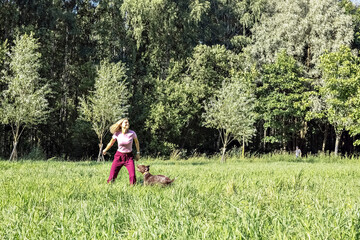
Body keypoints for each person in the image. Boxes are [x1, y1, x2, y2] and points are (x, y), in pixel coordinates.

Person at [103, 118, 140, 185]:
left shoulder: (132, 133)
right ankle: (109, 187)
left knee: (132, 176)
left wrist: (138, 153)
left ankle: (133, 189)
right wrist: (105, 150)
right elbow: (111, 143)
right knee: (112, 176)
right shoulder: (117, 134)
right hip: (119, 156)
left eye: (128, 122)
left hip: (129, 157)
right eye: (125, 122)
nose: (127, 124)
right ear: (121, 125)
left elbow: (137, 142)